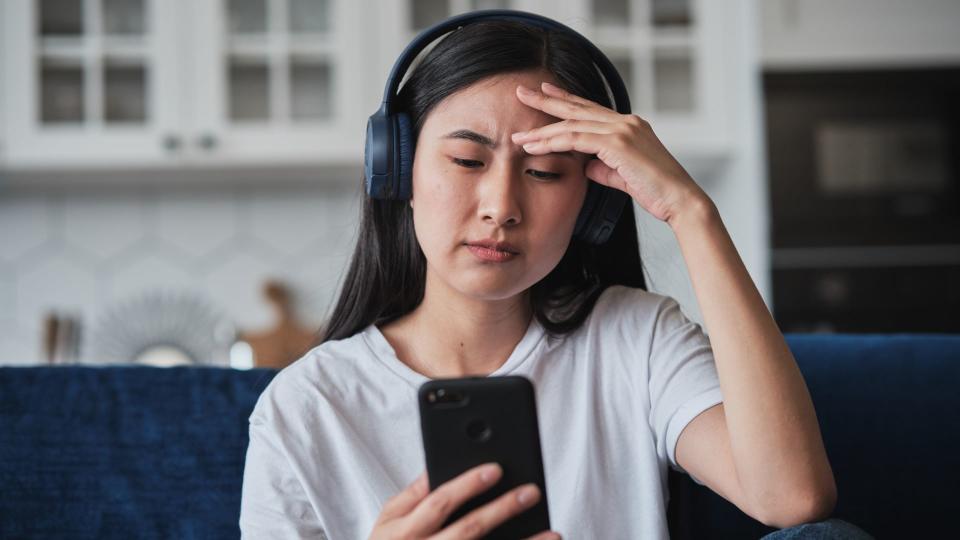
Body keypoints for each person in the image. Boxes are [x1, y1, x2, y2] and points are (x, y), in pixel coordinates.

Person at [240, 12, 872, 540]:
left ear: (591, 203)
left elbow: (792, 499)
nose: (501, 206)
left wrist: (691, 212)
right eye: (466, 159)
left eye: (544, 172)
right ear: (396, 171)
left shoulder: (636, 338)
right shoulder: (306, 408)